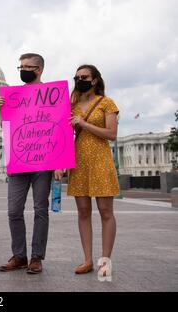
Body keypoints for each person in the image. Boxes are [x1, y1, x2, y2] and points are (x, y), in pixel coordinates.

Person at [0, 53, 64, 274]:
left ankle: (36, 257)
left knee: (40, 209)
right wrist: (1, 110)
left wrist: (59, 163)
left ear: (40, 69)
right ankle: (19, 255)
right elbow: (6, 128)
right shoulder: (15, 96)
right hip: (19, 159)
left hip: (44, 161)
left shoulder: (53, 95)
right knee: (13, 210)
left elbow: (60, 127)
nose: (24, 70)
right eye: (21, 66)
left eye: (28, 66)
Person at [68, 64, 119, 281]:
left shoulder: (106, 103)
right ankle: (87, 259)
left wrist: (83, 124)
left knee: (106, 212)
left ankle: (105, 262)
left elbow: (111, 134)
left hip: (100, 161)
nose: (81, 80)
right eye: (77, 77)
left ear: (95, 80)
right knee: (83, 211)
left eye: (85, 77)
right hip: (79, 162)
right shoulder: (71, 105)